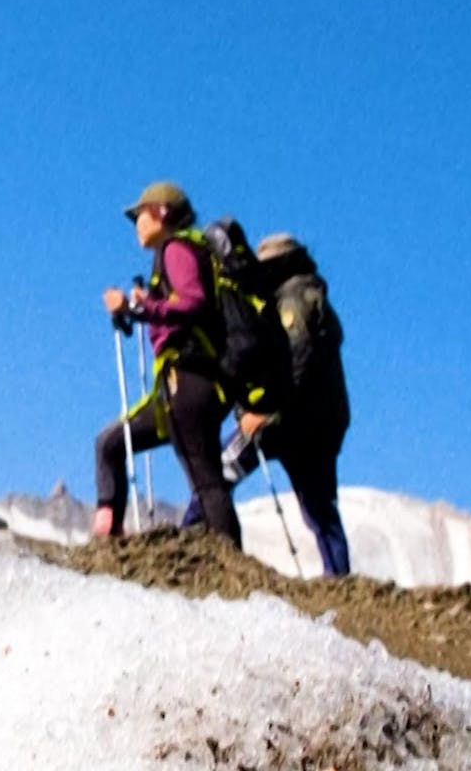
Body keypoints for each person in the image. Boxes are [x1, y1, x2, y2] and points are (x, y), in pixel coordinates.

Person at [186, 233, 352, 575]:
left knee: (215, 472)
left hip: (285, 420)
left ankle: (187, 543)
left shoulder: (293, 299)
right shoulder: (313, 296)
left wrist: (265, 409)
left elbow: (299, 358)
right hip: (320, 424)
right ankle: (339, 579)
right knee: (320, 509)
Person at [93, 181, 241, 547]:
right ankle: (109, 537)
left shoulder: (177, 248)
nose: (137, 224)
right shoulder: (179, 253)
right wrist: (148, 307)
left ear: (161, 212)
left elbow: (192, 302)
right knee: (111, 444)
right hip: (186, 384)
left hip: (189, 381)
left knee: (205, 478)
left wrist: (136, 308)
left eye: (140, 214)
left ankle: (232, 563)